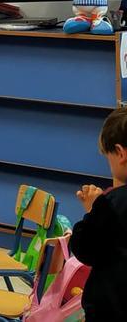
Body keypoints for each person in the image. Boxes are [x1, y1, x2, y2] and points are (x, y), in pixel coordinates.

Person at [71, 106, 127, 321]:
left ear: (120, 153)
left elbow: (85, 249)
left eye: (109, 157)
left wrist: (96, 209)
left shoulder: (112, 205)